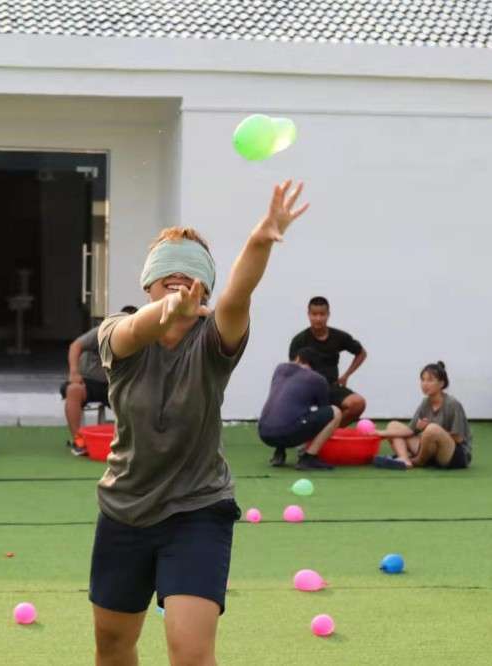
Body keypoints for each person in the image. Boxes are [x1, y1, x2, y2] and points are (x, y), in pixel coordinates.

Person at [91, 180, 308, 666]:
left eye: (189, 274)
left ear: (205, 284)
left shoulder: (214, 341)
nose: (178, 280)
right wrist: (166, 312)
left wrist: (259, 239)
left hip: (197, 509)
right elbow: (132, 331)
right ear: (147, 283)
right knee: (112, 645)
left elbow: (238, 297)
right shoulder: (116, 331)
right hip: (124, 508)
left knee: (190, 653)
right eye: (167, 273)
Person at [61, 305, 138, 456]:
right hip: (90, 381)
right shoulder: (103, 331)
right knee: (73, 390)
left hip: (119, 384)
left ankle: (134, 443)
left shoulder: (143, 337)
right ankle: (79, 440)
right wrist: (74, 373)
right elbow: (75, 346)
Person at [372, 362, 472, 470]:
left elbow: (458, 438)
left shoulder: (452, 404)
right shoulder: (425, 402)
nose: (425, 384)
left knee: (432, 429)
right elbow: (410, 431)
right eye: (422, 380)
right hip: (430, 452)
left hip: (453, 456)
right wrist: (380, 433)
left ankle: (417, 461)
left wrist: (430, 430)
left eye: (430, 380)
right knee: (393, 425)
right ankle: (405, 460)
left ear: (441, 384)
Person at [287, 296, 367, 425]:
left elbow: (361, 353)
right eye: (314, 314)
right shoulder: (299, 340)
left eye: (322, 314)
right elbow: (292, 369)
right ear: (308, 314)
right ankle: (306, 433)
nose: (318, 318)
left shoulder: (339, 337)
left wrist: (346, 375)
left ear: (328, 315)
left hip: (331, 387)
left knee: (358, 403)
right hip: (307, 389)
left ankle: (329, 431)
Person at [257, 348, 341, 470]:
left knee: (287, 409)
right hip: (287, 432)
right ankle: (309, 458)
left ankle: (279, 452)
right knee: (335, 412)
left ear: (297, 358)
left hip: (264, 432)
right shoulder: (318, 379)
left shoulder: (280, 368)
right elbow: (324, 410)